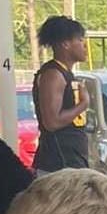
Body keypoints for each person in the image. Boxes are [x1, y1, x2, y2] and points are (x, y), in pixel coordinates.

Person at [32, 16, 93, 172]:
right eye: (79, 40)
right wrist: (82, 105)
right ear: (65, 44)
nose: (85, 45)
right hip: (58, 164)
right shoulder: (53, 74)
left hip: (72, 161)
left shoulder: (66, 74)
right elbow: (51, 122)